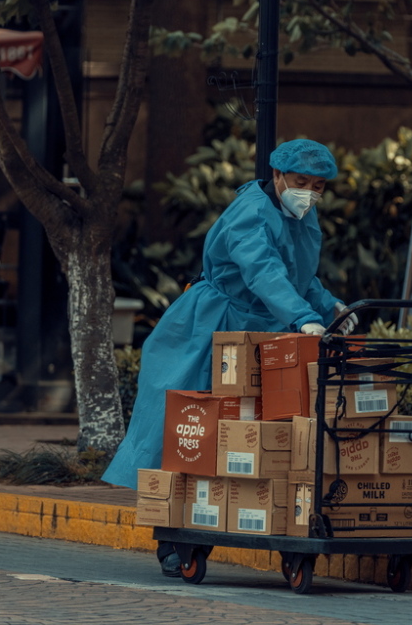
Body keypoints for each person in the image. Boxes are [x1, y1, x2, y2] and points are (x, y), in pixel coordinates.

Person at [102, 139, 355, 575]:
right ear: (277, 175)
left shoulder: (300, 215)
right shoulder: (250, 213)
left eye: (319, 186)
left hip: (264, 328)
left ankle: (263, 518)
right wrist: (302, 317)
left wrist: (329, 306)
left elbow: (298, 274)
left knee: (256, 436)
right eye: (302, 182)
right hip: (212, 326)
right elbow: (263, 271)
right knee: (192, 429)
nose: (310, 193)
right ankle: (173, 537)